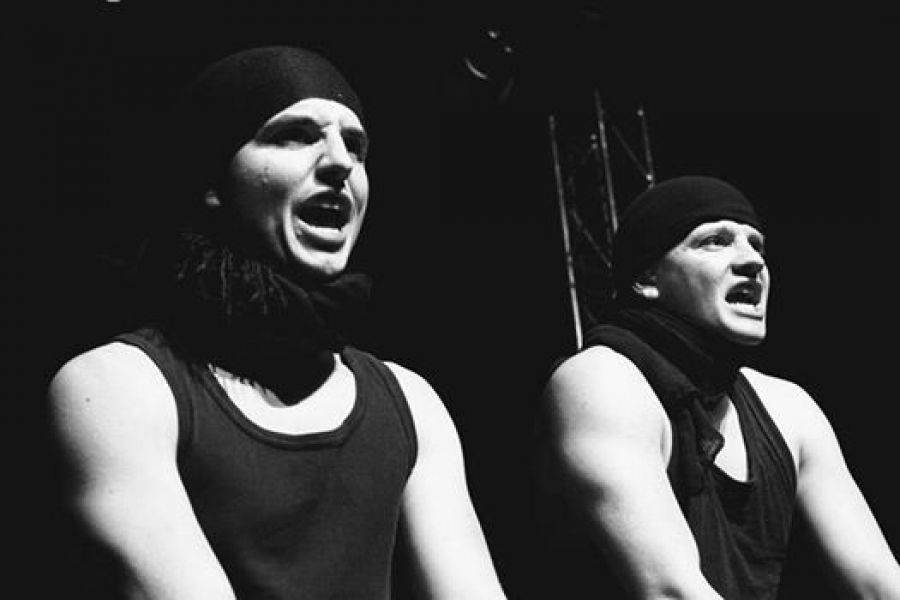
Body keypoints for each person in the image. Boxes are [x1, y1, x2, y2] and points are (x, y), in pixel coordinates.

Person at [46, 45, 507, 599]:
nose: (340, 163)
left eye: (356, 146)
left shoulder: (411, 402)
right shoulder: (119, 385)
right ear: (212, 181)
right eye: (295, 136)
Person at [536, 175, 900, 598]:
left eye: (757, 245)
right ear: (647, 278)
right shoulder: (601, 382)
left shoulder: (788, 407)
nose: (752, 261)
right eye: (715, 241)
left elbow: (879, 583)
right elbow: (671, 591)